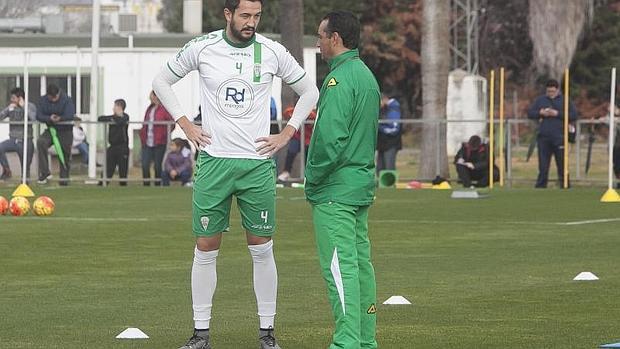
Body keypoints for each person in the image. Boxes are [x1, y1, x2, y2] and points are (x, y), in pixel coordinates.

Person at [151, 0, 319, 348]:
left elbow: (309, 91)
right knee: (205, 246)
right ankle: (200, 334)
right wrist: (186, 125)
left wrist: (287, 133)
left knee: (261, 247)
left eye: (256, 16)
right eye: (245, 15)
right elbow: (161, 81)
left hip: (257, 164)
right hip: (214, 162)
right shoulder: (202, 47)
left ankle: (267, 334)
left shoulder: (272, 51)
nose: (251, 22)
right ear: (228, 14)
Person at [305, 11, 379, 349]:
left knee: (340, 268)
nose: (318, 42)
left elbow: (329, 140)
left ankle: (347, 342)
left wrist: (313, 176)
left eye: (321, 36)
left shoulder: (339, 80)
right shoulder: (365, 75)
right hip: (359, 185)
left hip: (335, 189)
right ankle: (364, 340)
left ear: (335, 38)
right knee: (360, 265)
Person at [527, 79, 577, 188]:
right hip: (543, 138)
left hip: (560, 137)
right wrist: (540, 112)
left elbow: (574, 115)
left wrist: (557, 114)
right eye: (549, 91)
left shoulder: (565, 100)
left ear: (557, 90)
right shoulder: (540, 100)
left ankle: (565, 186)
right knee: (543, 166)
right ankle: (540, 187)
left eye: (553, 92)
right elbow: (530, 113)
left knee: (562, 165)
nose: (550, 94)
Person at [36, 84, 75, 185]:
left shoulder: (67, 99)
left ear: (59, 94)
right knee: (41, 142)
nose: (53, 99)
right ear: (47, 95)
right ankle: (45, 172)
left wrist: (60, 118)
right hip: (51, 129)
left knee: (64, 152)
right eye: (51, 98)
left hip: (65, 130)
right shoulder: (43, 100)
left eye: (55, 97)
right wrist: (49, 118)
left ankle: (64, 179)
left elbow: (70, 115)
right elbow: (39, 115)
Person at [0, 87, 36, 180]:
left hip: (26, 140)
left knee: (25, 165)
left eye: (13, 98)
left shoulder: (30, 106)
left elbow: (33, 118)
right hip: (13, 139)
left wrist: (24, 106)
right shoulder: (11, 108)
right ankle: (6, 170)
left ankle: (25, 182)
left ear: (20, 98)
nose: (11, 100)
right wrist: (7, 109)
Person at [140, 90, 174, 186]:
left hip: (160, 142)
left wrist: (164, 134)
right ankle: (146, 185)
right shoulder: (149, 109)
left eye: (152, 96)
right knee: (145, 164)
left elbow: (171, 123)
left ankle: (157, 185)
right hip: (147, 142)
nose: (150, 98)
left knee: (157, 166)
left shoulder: (164, 109)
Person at [277, 105, 316, 182]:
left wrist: (307, 113)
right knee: (291, 151)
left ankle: (308, 175)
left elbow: (313, 116)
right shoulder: (294, 110)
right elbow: (286, 113)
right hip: (297, 137)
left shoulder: (312, 113)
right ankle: (286, 172)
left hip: (307, 139)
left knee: (308, 156)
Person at [98, 99, 130, 186]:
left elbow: (121, 121)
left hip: (122, 147)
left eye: (115, 106)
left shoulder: (126, 117)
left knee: (123, 169)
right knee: (108, 167)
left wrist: (114, 119)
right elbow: (101, 118)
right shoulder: (112, 117)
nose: (113, 108)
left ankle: (123, 186)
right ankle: (102, 184)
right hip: (112, 146)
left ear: (120, 107)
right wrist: (113, 119)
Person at [376, 93, 402, 174]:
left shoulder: (394, 108)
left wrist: (380, 127)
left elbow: (394, 129)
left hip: (391, 143)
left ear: (383, 99)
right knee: (380, 167)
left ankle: (389, 184)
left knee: (389, 166)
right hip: (383, 143)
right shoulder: (386, 108)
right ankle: (380, 183)